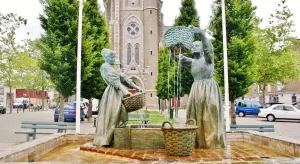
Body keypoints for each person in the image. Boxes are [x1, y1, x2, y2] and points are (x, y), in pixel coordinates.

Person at [178, 26, 226, 148]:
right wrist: (176, 50)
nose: (194, 47)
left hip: (209, 89)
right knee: (193, 116)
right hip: (196, 90)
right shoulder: (192, 61)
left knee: (208, 117)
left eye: (197, 45)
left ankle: (212, 143)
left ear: (202, 49)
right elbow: (177, 57)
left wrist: (201, 34)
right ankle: (196, 141)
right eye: (192, 46)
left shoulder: (208, 59)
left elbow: (209, 47)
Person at [93, 48, 142, 146]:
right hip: (112, 95)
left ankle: (116, 137)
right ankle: (105, 140)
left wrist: (136, 87)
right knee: (113, 115)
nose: (113, 59)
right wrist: (125, 91)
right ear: (106, 58)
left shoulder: (113, 68)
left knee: (122, 114)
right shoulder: (105, 66)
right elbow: (113, 80)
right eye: (111, 57)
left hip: (118, 94)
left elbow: (123, 78)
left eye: (113, 57)